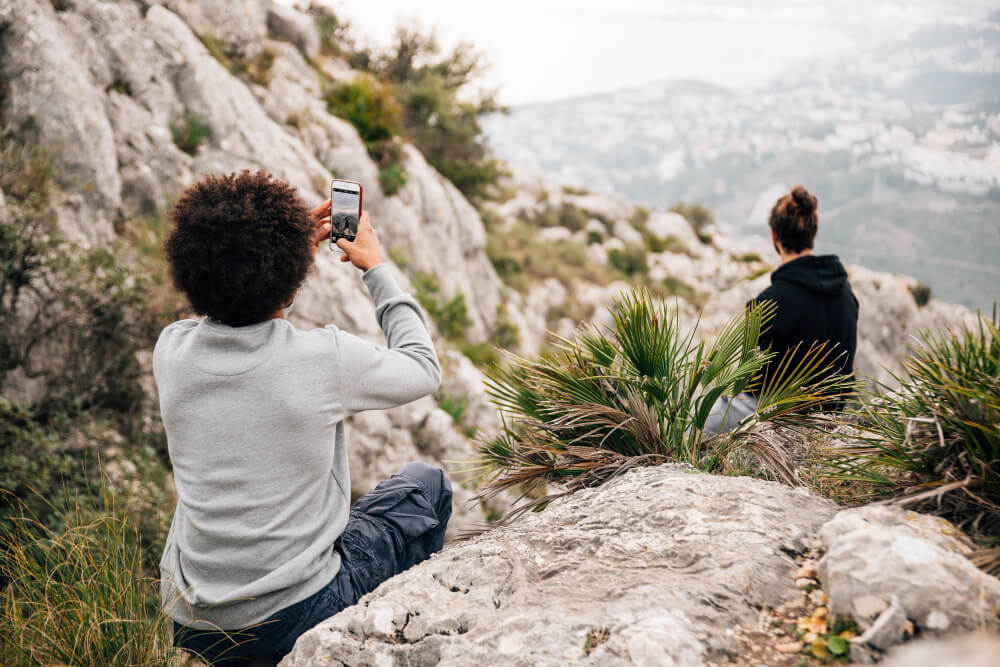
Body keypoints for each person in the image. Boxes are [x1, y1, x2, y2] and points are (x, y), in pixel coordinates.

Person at [155, 170, 451, 665]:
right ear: (289, 277)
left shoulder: (173, 350)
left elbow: (241, 314)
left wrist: (282, 270)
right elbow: (423, 367)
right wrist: (375, 267)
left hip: (192, 623)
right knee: (427, 485)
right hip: (294, 616)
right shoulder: (324, 359)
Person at [704, 185, 859, 434]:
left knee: (706, 415)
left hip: (781, 418)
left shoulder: (767, 304)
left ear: (774, 237)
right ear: (812, 233)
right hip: (831, 416)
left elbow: (751, 383)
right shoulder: (846, 295)